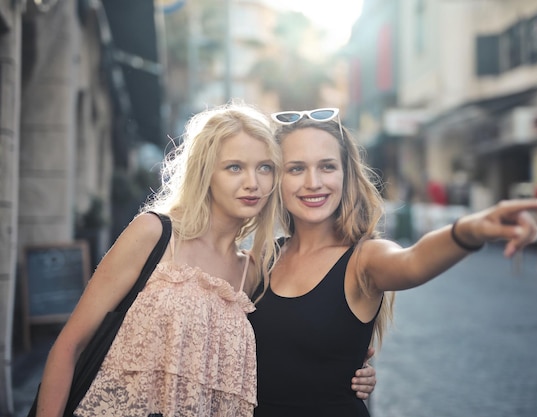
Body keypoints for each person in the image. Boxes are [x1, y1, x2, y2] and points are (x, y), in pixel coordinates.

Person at [34, 102, 375, 417]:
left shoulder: (253, 271)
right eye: (234, 168)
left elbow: (292, 343)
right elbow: (69, 345)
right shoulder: (154, 234)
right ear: (206, 172)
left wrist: (350, 366)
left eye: (265, 168)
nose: (252, 183)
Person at [248, 108, 537, 417]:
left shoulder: (364, 258)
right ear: (276, 178)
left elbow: (413, 261)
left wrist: (470, 230)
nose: (313, 182)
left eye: (327, 166)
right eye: (296, 168)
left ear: (346, 174)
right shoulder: (262, 260)